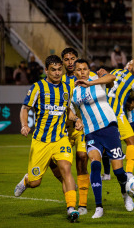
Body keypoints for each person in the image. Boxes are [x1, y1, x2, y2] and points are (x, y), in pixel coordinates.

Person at [14, 55, 82, 222]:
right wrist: (24, 125)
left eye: (60, 69)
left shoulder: (67, 89)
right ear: (46, 71)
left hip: (60, 139)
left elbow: (67, 110)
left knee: (66, 169)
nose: (57, 73)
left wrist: (76, 119)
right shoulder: (38, 87)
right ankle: (27, 179)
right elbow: (25, 108)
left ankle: (71, 209)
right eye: (53, 70)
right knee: (35, 183)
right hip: (41, 141)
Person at [70, 59, 134, 217]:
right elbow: (69, 111)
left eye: (85, 69)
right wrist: (76, 120)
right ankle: (99, 207)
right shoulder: (73, 91)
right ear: (74, 72)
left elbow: (111, 78)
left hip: (109, 128)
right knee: (95, 164)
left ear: (88, 70)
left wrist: (90, 83)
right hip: (91, 132)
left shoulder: (96, 80)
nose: (82, 72)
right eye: (79, 70)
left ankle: (125, 195)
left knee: (118, 171)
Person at [48, 48, 92, 216]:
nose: (70, 62)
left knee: (82, 159)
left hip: (80, 129)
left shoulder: (86, 76)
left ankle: (82, 204)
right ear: (62, 62)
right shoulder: (58, 79)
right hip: (62, 130)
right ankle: (68, 184)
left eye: (73, 59)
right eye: (66, 59)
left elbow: (106, 82)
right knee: (54, 163)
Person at [107, 59, 134, 176]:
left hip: (104, 111)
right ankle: (129, 173)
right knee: (132, 142)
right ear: (130, 66)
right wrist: (132, 97)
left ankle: (105, 174)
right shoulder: (133, 80)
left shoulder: (114, 71)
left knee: (100, 145)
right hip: (117, 113)